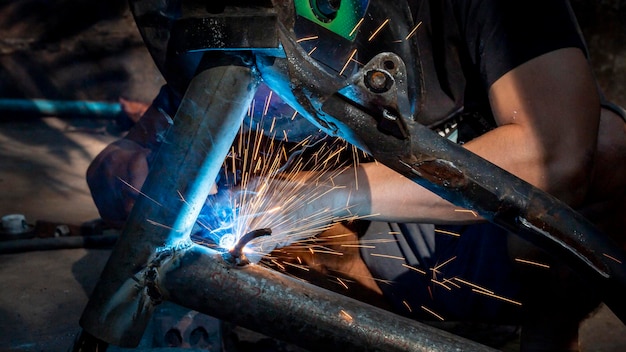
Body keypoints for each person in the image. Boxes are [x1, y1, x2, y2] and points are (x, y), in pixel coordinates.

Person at [87, 0, 626, 350]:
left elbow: (557, 153)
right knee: (221, 172)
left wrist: (327, 193)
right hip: (358, 258)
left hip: (491, 249)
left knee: (607, 150)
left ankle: (545, 337)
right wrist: (125, 175)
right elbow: (133, 154)